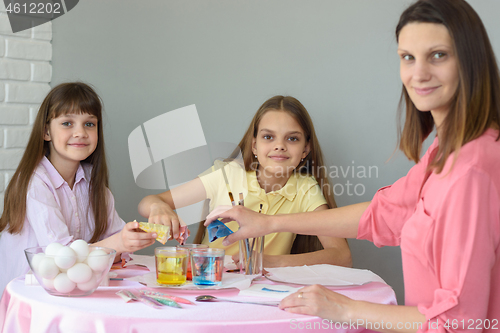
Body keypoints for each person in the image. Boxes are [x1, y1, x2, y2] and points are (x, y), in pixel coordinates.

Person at [204, 0, 500, 331]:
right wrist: (267, 223)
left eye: (438, 55)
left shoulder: (473, 168)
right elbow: (384, 215)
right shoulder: (443, 153)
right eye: (408, 57)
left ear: (470, 60)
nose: (419, 74)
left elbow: (462, 322)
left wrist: (346, 309)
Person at [138, 95, 352, 268]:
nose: (279, 145)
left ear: (305, 149)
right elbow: (150, 201)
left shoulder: (306, 189)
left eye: (292, 138)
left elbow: (341, 256)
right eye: (268, 137)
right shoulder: (227, 175)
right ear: (254, 146)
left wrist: (271, 262)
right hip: (208, 282)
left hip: (266, 292)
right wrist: (158, 206)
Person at [0, 82, 156, 296]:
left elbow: (115, 245)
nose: (80, 132)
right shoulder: (34, 183)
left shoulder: (93, 182)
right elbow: (61, 259)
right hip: (32, 296)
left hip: (74, 292)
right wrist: (117, 243)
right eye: (67, 123)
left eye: (89, 124)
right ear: (46, 131)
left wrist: (134, 237)